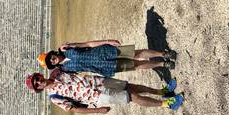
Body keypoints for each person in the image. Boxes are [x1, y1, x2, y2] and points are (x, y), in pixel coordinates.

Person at [25, 69, 183, 114]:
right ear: (38, 89)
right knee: (131, 97)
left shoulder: (56, 72)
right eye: (36, 84)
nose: (39, 82)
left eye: (36, 79)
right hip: (98, 96)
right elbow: (74, 109)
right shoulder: (53, 98)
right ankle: (167, 104)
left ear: (39, 75)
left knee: (131, 86)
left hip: (99, 81)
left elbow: (73, 63)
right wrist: (98, 110)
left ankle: (162, 91)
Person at [37, 39, 176, 77]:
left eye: (50, 57)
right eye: (50, 62)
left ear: (51, 53)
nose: (52, 60)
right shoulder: (65, 69)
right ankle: (162, 65)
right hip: (104, 67)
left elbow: (88, 44)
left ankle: (163, 54)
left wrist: (107, 41)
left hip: (105, 52)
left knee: (136, 53)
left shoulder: (66, 49)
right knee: (136, 65)